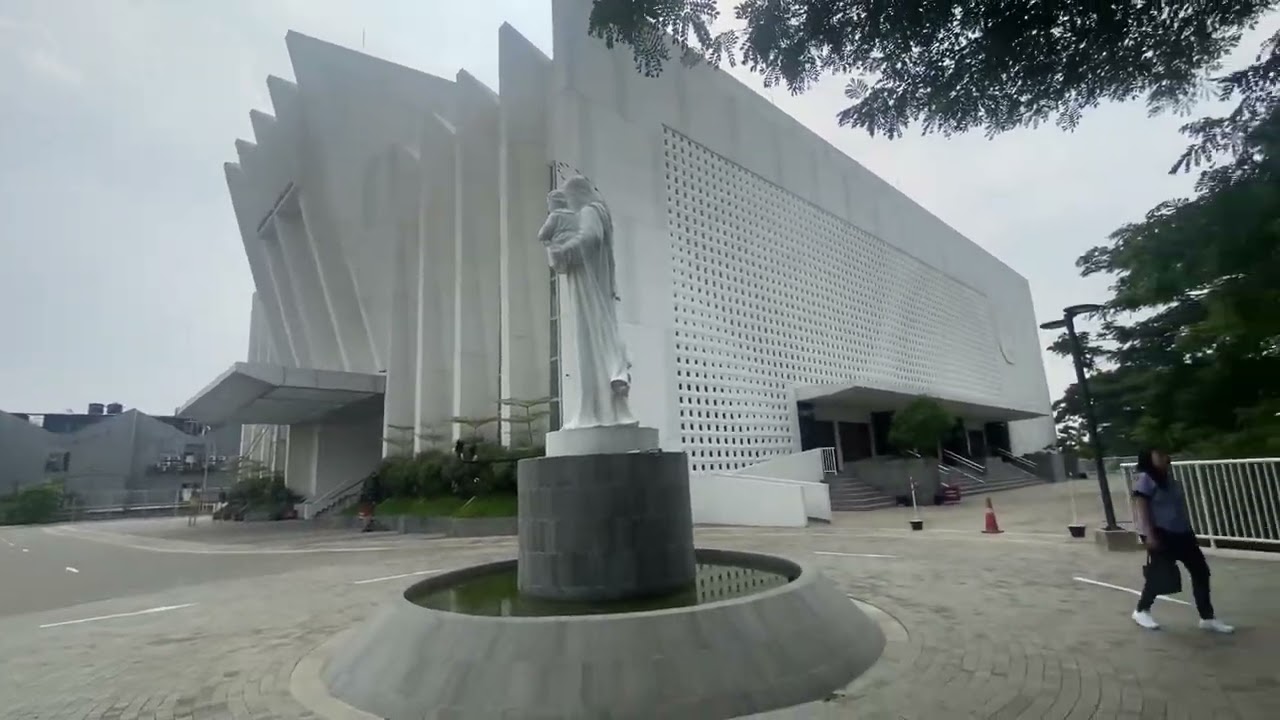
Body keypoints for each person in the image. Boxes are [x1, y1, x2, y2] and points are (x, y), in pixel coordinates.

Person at [1130, 448, 1233, 633]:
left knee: (1201, 571)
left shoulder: (1169, 479)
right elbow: (1142, 509)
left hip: (1182, 532)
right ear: (1148, 459)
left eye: (1164, 455)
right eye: (1159, 455)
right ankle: (1141, 610)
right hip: (1161, 533)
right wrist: (1149, 535)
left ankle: (1207, 617)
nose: (1164, 458)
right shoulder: (1145, 479)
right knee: (1160, 574)